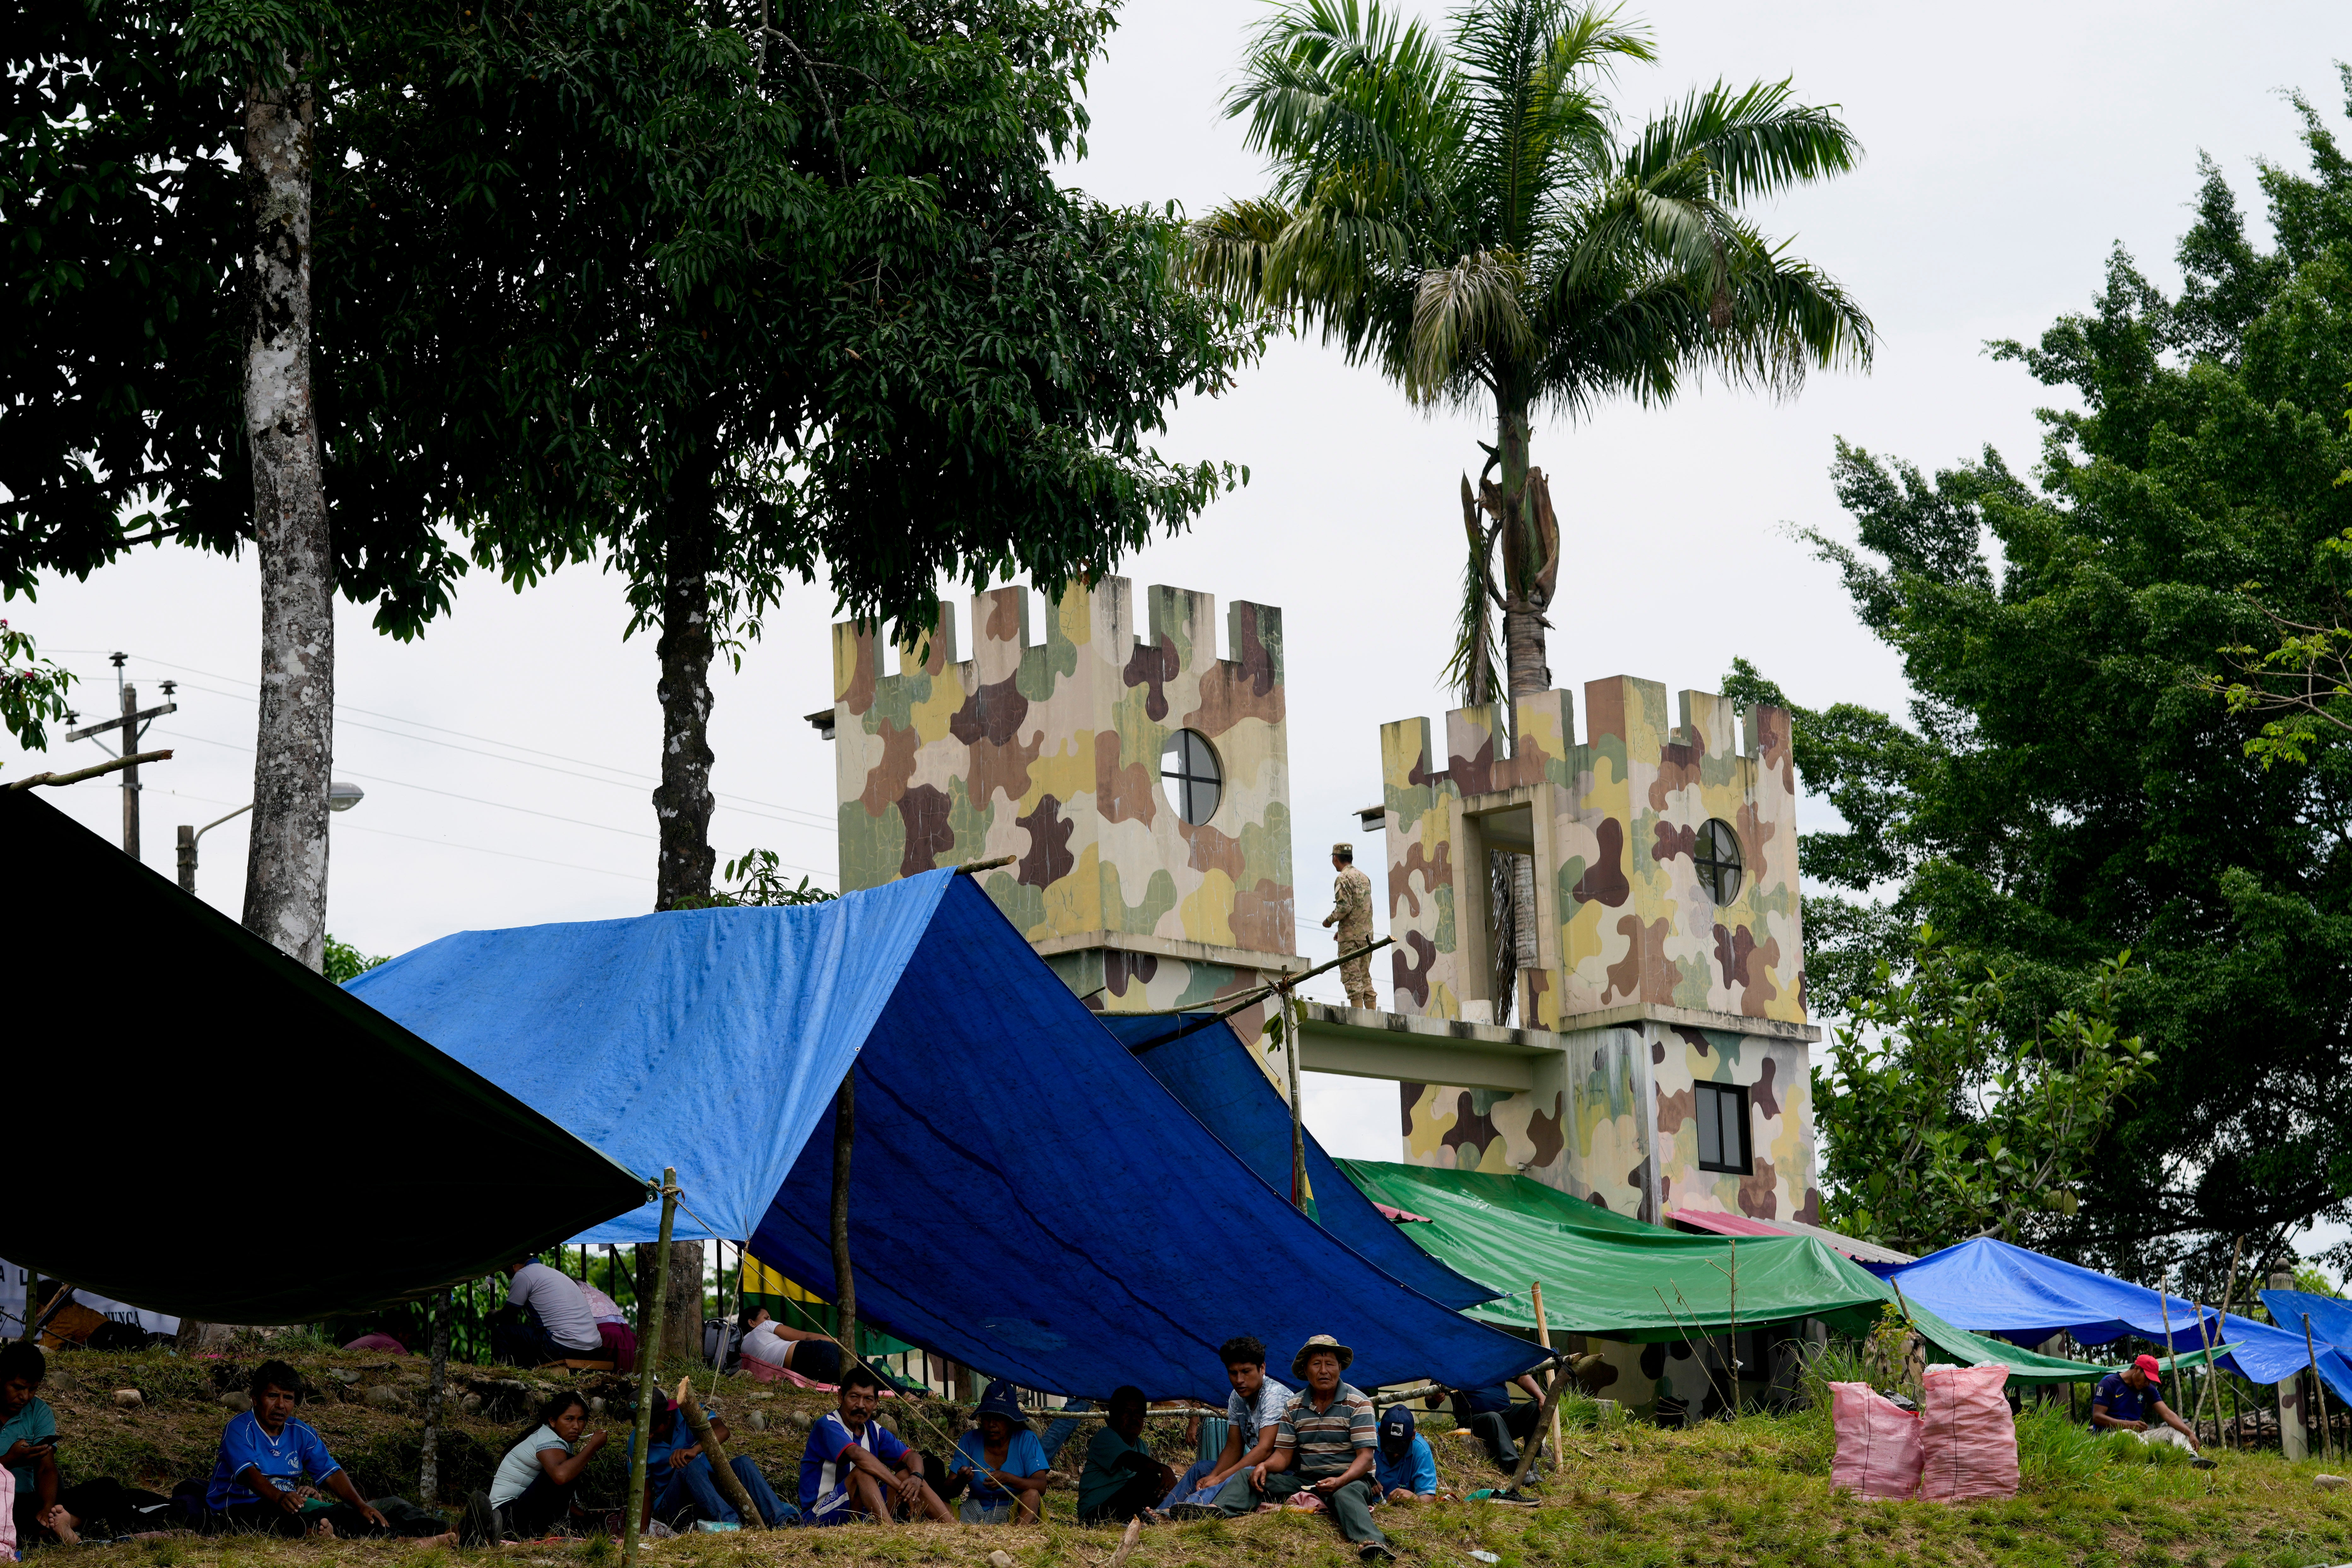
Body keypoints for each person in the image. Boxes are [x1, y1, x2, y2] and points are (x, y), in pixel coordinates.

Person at [205, 1361, 455, 1542]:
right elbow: (249, 1474)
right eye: (273, 1395)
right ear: (256, 1398)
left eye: (288, 1398)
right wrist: (281, 1497)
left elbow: (331, 1473)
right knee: (322, 1519)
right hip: (239, 1509)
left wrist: (359, 1504)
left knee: (371, 1509)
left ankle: (453, 1530)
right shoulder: (239, 1428)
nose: (281, 1405)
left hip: (288, 1505)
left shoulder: (301, 1432)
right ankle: (410, 1542)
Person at [1251, 1335, 1392, 1562]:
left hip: (1352, 1479)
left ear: (1340, 1368)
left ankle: (1373, 1541)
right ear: (1306, 1370)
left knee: (1345, 1492)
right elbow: (1283, 1457)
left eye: (1330, 1364)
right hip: (1309, 1480)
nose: (1324, 1370)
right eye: (1317, 1364)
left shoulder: (1359, 1403)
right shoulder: (1293, 1405)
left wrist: (1340, 1480)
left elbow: (1365, 1459)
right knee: (1250, 1475)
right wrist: (1264, 1465)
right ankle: (1216, 1510)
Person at [2, 1342, 154, 1546]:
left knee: (107, 1488)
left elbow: (47, 1469)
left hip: (28, 1502)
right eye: (18, 1387)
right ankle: (43, 1532)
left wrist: (47, 1508)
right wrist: (9, 1460)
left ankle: (59, 1523)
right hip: (5, 1504)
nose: (25, 1396)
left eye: (33, 1389)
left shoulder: (39, 1412)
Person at [801, 1366, 953, 1525]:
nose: (861, 1405)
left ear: (876, 1403)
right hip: (819, 1515)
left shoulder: (873, 1430)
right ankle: (891, 1532)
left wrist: (916, 1478)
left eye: (868, 1399)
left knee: (908, 1476)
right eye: (854, 1397)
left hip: (858, 1512)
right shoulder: (828, 1425)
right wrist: (905, 1492)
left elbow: (912, 1456)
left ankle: (955, 1528)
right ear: (841, 1397)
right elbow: (858, 1456)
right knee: (862, 1472)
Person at [1162, 1336, 1291, 1516]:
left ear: (1262, 1368)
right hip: (1256, 1470)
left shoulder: (1274, 1396)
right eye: (1233, 1373)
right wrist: (1213, 1476)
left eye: (1246, 1372)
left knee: (1242, 1473)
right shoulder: (1237, 1397)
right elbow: (1233, 1448)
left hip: (1284, 1474)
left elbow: (1265, 1450)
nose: (1239, 1380)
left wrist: (1220, 1478)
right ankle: (1159, 1513)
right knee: (1201, 1469)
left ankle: (1175, 1513)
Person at [636, 1391, 796, 1529]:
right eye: (645, 1430)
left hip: (709, 1494)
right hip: (677, 1508)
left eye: (654, 1430)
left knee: (743, 1464)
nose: (649, 1436)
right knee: (689, 1467)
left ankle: (781, 1521)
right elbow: (645, 1494)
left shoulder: (689, 1413)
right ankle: (731, 1524)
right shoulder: (637, 1442)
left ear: (669, 1418)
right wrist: (642, 1536)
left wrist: (695, 1450)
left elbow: (722, 1431)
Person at [467, 1390, 608, 1543]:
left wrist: (587, 1516)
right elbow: (561, 1477)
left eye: (581, 1420)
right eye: (569, 1419)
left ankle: (550, 1531)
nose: (576, 1426)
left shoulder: (557, 1439)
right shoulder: (548, 1439)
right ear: (553, 1421)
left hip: (511, 1514)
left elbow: (558, 1498)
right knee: (566, 1469)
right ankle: (545, 1533)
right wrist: (592, 1447)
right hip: (503, 1518)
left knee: (588, 1524)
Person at [948, 1381, 1053, 1524]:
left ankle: (1020, 1537)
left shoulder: (1026, 1440)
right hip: (974, 1510)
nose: (991, 1424)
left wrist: (1008, 1479)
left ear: (1010, 1420)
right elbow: (948, 1491)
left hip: (1014, 1511)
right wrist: (961, 1480)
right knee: (934, 1504)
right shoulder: (969, 1440)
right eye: (986, 1418)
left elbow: (1041, 1486)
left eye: (998, 1418)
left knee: (1032, 1495)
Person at [1078, 1386, 1177, 1525]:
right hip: (1095, 1516)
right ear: (1114, 1415)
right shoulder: (1105, 1436)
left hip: (1123, 1508)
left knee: (1159, 1487)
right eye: (1127, 1412)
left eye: (1138, 1414)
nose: (1134, 1419)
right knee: (1149, 1478)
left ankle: (1156, 1516)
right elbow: (1130, 1460)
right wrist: (1164, 1469)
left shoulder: (1140, 1445)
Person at [493, 1257, 606, 1367]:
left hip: (565, 1346)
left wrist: (491, 1315)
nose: (506, 1276)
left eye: (505, 1270)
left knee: (503, 1332)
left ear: (513, 1265)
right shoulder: (554, 1274)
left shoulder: (523, 1275)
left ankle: (502, 1376)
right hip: (595, 1349)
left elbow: (507, 1316)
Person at [2089, 1354, 2200, 1453]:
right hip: (2108, 1437)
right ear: (2137, 1369)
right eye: (2147, 1378)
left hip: (2137, 1436)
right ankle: (2160, 1454)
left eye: (2151, 1381)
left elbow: (2167, 1414)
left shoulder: (2148, 1389)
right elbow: (2097, 1417)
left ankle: (2191, 1457)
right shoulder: (2109, 1384)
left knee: (2173, 1431)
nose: (2148, 1383)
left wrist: (2190, 1433)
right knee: (2129, 1434)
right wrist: (2128, 1425)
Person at [1441, 1373, 1549, 1472]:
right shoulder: (1453, 1358)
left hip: (1504, 1416)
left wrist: (1541, 1397)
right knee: (1493, 1417)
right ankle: (1516, 1466)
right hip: (1474, 1421)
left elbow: (1521, 1376)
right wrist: (1436, 1397)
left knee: (1534, 1409)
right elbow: (1431, 1399)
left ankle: (1531, 1462)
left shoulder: (1494, 1355)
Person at [1323, 844, 1377, 1009]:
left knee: (1353, 980)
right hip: (1366, 937)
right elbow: (1363, 908)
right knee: (1365, 977)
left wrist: (1329, 921)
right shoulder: (1364, 878)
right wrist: (1343, 930)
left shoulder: (1343, 878)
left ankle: (1360, 1021)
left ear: (1335, 859)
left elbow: (1344, 907)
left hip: (1351, 941)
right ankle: (1372, 1019)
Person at [737, 1305, 849, 1384]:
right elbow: (806, 1337)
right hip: (813, 1353)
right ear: (752, 1323)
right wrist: (840, 1342)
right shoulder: (766, 1326)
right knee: (857, 1366)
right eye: (766, 1318)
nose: (770, 1320)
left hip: (805, 1371)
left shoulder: (743, 1349)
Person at [1373, 1406, 1436, 1504]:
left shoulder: (1421, 1451)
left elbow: (1429, 1497)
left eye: (1400, 1449)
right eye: (1390, 1448)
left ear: (1413, 1436)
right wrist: (1365, 1480)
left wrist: (1415, 1499)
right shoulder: (1368, 1438)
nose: (1395, 1455)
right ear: (1379, 1432)